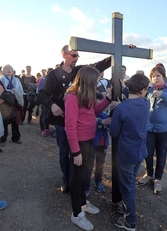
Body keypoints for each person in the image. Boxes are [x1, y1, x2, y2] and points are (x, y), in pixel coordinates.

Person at [38, 45, 112, 194]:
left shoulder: (80, 71)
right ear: (64, 55)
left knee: (78, 155)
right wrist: (51, 105)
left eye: (78, 56)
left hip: (79, 125)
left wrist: (119, 51)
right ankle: (66, 179)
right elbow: (42, 94)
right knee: (65, 151)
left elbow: (99, 66)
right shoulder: (53, 75)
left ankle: (77, 182)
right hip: (61, 121)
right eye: (73, 55)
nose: (76, 58)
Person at [64, 65, 112, 231]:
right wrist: (76, 151)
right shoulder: (72, 97)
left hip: (90, 139)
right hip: (79, 143)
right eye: (96, 80)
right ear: (87, 81)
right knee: (77, 178)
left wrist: (108, 99)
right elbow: (69, 127)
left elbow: (95, 111)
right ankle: (76, 213)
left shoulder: (88, 94)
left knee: (86, 174)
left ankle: (83, 203)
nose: (98, 83)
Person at [110, 73, 150, 231]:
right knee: (130, 183)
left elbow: (114, 132)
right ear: (142, 90)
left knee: (127, 188)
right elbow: (135, 97)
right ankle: (127, 210)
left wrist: (116, 114)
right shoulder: (146, 103)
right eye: (146, 89)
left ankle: (130, 221)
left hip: (126, 154)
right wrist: (127, 88)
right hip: (139, 152)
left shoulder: (121, 108)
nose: (146, 92)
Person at [138, 66, 167, 194]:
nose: (155, 78)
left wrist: (164, 95)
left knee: (161, 154)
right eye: (153, 76)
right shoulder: (149, 89)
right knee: (147, 152)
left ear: (163, 76)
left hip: (165, 128)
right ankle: (149, 175)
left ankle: (158, 179)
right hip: (149, 127)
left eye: (158, 76)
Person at [85, 92, 111, 197]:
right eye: (97, 106)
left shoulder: (105, 115)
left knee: (100, 165)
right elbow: (93, 120)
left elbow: (111, 125)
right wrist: (102, 121)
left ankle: (98, 182)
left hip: (103, 145)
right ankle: (85, 187)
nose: (99, 108)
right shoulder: (90, 115)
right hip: (92, 144)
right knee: (88, 166)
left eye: (101, 105)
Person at [0, 65, 24, 144]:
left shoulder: (16, 80)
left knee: (15, 119)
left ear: (13, 71)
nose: (8, 70)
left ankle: (16, 137)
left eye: (10, 68)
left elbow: (21, 90)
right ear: (3, 71)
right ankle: (3, 138)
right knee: (5, 119)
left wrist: (15, 92)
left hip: (15, 101)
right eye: (6, 69)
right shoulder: (1, 79)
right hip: (5, 102)